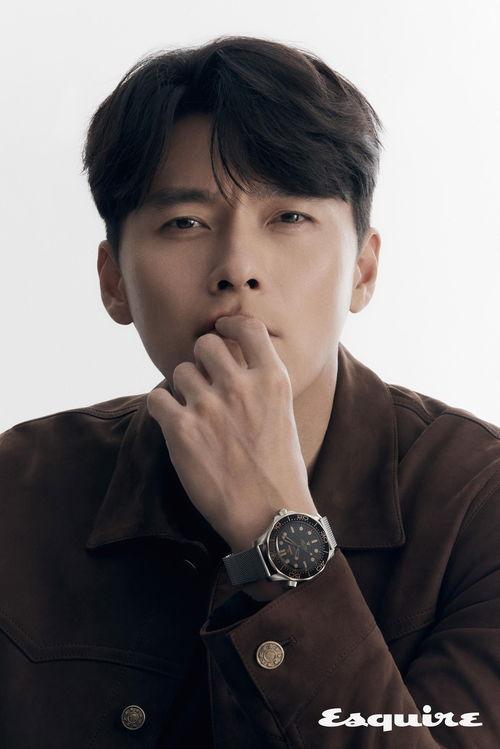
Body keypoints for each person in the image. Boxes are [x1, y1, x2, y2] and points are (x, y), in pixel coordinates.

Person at [1, 35, 499, 748]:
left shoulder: (478, 503)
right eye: (185, 223)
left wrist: (277, 532)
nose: (237, 267)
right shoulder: (19, 491)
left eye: (289, 217)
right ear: (114, 282)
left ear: (362, 270)